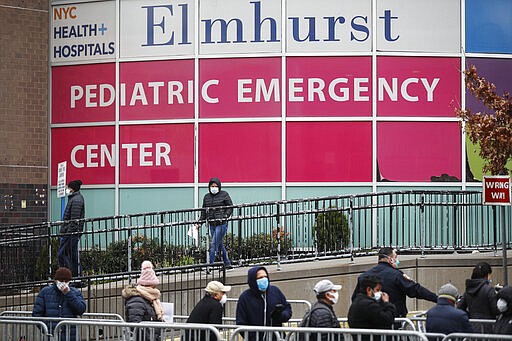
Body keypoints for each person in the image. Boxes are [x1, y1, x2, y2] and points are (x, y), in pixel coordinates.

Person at [352, 247, 437, 317]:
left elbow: (355, 299)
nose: (397, 260)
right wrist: (437, 298)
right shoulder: (396, 275)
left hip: (370, 324)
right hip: (393, 323)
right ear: (391, 259)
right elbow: (415, 290)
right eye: (395, 257)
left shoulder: (363, 277)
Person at [236, 266, 292, 341]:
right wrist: (252, 337)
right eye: (260, 277)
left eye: (265, 276)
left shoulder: (275, 291)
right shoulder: (244, 298)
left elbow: (287, 309)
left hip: (277, 338)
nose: (264, 279)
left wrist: (280, 315)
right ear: (253, 280)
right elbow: (241, 323)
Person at [32, 267, 86, 341]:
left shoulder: (75, 292)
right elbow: (37, 314)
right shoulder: (45, 292)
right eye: (61, 281)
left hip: (70, 335)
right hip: (51, 336)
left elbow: (81, 309)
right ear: (56, 280)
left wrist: (69, 294)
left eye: (66, 281)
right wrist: (47, 329)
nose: (63, 283)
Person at [196, 177, 234, 271]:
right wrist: (199, 223)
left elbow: (230, 207)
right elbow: (204, 212)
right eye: (212, 186)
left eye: (216, 186)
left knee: (213, 244)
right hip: (212, 224)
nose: (214, 188)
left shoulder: (224, 194)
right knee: (219, 244)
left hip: (221, 224)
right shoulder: (207, 197)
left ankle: (210, 265)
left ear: (219, 186)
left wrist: (225, 216)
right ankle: (228, 264)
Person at [122, 261, 163, 341]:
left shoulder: (149, 299)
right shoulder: (137, 300)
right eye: (154, 286)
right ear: (150, 285)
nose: (155, 289)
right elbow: (135, 326)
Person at [348, 275, 397, 341]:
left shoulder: (358, 301)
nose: (380, 293)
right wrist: (386, 303)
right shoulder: (369, 305)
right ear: (368, 289)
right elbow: (387, 319)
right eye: (377, 290)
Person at [58, 180, 85, 278]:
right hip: (71, 232)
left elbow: (74, 219)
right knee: (73, 255)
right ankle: (76, 277)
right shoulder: (75, 199)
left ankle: (69, 276)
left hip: (71, 233)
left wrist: (68, 233)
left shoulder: (76, 200)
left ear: (72, 189)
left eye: (68, 188)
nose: (67, 189)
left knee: (62, 254)